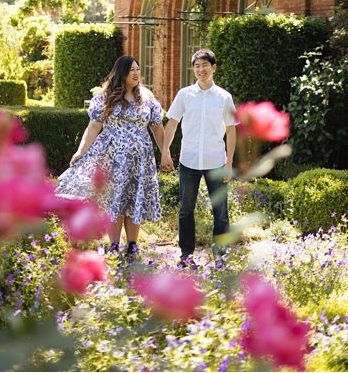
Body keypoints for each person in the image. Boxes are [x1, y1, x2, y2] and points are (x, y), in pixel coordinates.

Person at [56, 55, 167, 258]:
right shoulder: (105, 95)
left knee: (134, 200)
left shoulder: (147, 96)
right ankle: (114, 246)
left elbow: (158, 128)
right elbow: (94, 127)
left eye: (138, 70)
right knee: (115, 199)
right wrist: (81, 151)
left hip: (140, 159)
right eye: (132, 70)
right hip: (113, 157)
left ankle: (132, 246)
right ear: (121, 72)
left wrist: (165, 154)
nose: (136, 74)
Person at [161, 48, 238, 266]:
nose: (200, 70)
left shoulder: (224, 97)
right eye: (196, 66)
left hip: (216, 161)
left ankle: (221, 256)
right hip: (190, 160)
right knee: (186, 211)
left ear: (213, 68)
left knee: (221, 213)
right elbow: (173, 123)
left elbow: (231, 130)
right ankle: (186, 254)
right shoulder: (184, 95)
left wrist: (230, 162)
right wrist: (165, 151)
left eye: (204, 65)